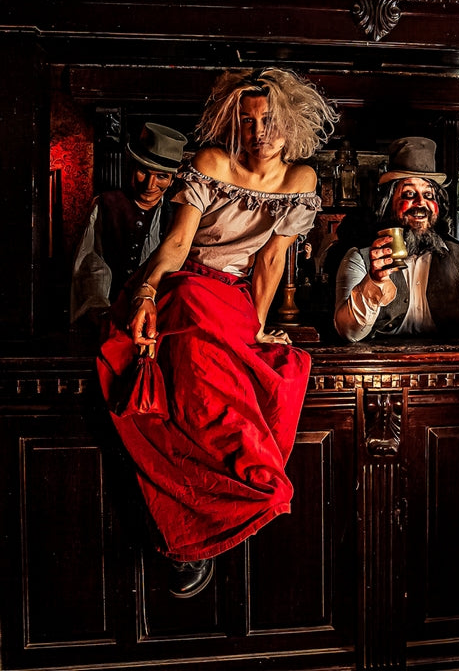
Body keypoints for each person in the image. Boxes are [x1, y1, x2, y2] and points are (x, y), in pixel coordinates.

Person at [96, 68, 338, 598]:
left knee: (280, 377)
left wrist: (258, 327)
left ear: (290, 123)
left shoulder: (301, 180)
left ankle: (221, 518)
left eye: (269, 120)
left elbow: (271, 260)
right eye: (247, 121)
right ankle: (193, 530)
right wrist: (145, 292)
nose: (259, 132)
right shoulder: (211, 162)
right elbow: (178, 243)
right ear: (233, 123)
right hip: (183, 285)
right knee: (202, 395)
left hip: (235, 299)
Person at [334, 136, 459, 341]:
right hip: (381, 361)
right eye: (409, 194)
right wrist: (374, 281)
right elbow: (349, 332)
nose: (421, 203)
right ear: (388, 203)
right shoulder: (360, 259)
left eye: (429, 195)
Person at [70, 123, 187, 329]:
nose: (150, 185)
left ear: (171, 180)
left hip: (160, 314)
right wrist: (101, 310)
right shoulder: (106, 204)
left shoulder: (179, 214)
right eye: (143, 172)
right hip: (111, 311)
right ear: (131, 167)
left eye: (161, 176)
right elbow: (91, 262)